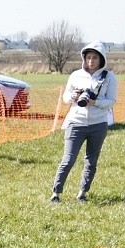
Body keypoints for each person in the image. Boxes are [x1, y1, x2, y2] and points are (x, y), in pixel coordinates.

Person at [51, 42, 117, 203]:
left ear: (101, 59)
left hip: (98, 124)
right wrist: (73, 96)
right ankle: (56, 193)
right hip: (76, 123)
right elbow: (65, 98)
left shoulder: (109, 77)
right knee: (68, 159)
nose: (91, 61)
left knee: (91, 160)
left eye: (95, 57)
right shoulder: (75, 75)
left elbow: (112, 100)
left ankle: (82, 193)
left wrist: (96, 102)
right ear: (84, 58)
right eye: (88, 57)